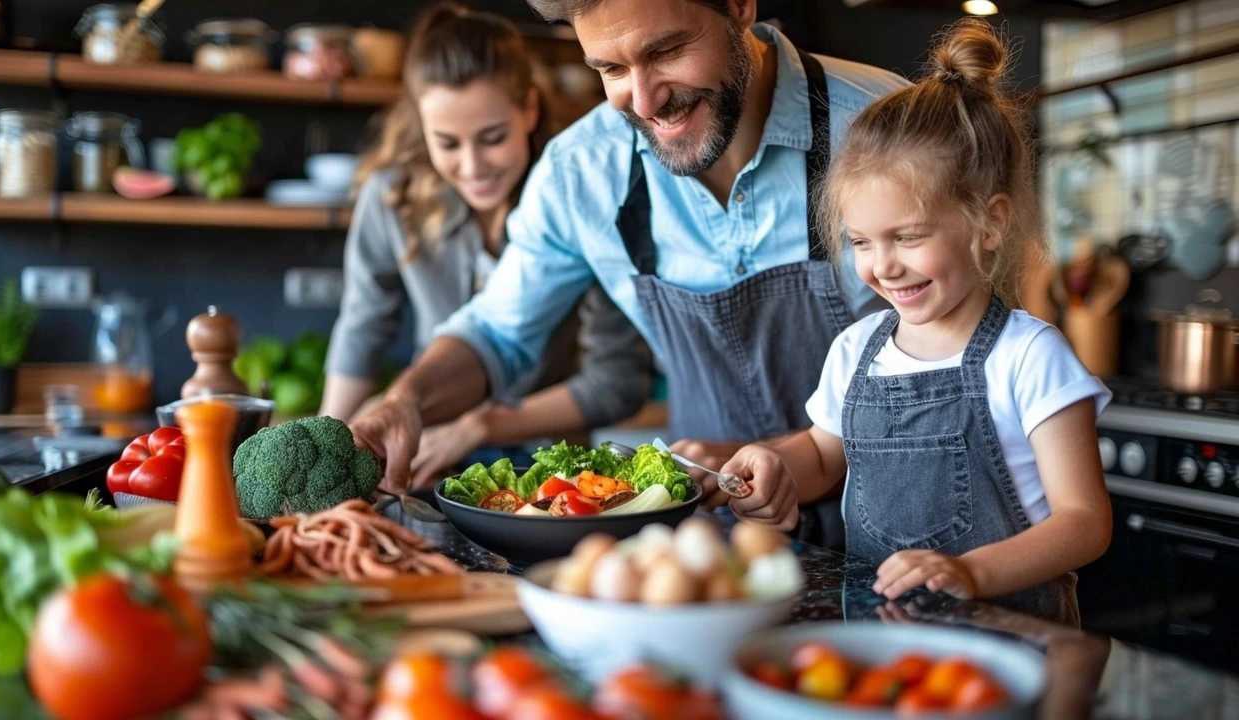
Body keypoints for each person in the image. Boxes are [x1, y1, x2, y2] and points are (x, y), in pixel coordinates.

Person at [350, 0, 910, 544]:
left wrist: (798, 454)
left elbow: (983, 351)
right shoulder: (582, 172)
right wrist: (405, 403)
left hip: (903, 535)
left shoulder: (890, 127)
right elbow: (496, 332)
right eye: (612, 69)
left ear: (740, 6)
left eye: (666, 50)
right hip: (710, 546)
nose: (644, 101)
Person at [718, 20, 1113, 624]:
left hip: (1013, 643)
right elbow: (825, 457)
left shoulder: (1030, 355)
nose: (882, 266)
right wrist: (777, 463)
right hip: (885, 637)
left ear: (990, 224)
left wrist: (971, 573)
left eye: (907, 236)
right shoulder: (856, 349)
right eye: (861, 242)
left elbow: (1084, 523)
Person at [323, 3, 652, 486]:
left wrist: (477, 426)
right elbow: (363, 328)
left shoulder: (577, 195)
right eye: (448, 144)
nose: (473, 166)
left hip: (551, 465)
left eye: (492, 137)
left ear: (530, 110)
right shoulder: (390, 199)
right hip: (426, 454)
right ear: (421, 127)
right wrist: (330, 444)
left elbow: (619, 382)